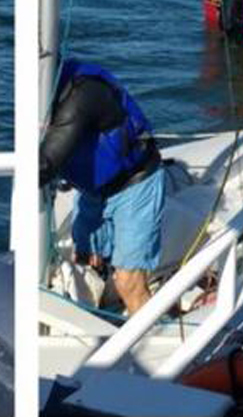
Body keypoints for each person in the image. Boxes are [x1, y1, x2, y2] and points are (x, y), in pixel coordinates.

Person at [39, 59, 164, 315]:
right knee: (84, 257)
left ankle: (147, 333)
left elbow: (45, 164)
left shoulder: (82, 93)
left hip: (134, 185)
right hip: (93, 188)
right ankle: (103, 310)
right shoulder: (42, 96)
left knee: (128, 282)